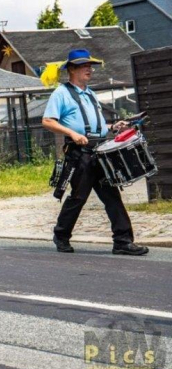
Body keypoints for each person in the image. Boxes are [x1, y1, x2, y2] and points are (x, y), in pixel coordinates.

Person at [42, 49, 149, 256]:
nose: (89, 69)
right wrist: (72, 134)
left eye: (90, 65)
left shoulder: (90, 93)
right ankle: (61, 235)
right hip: (79, 154)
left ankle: (123, 241)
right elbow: (47, 121)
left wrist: (112, 127)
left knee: (112, 196)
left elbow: (94, 124)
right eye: (84, 66)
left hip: (100, 152)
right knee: (78, 197)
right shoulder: (61, 93)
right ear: (71, 70)